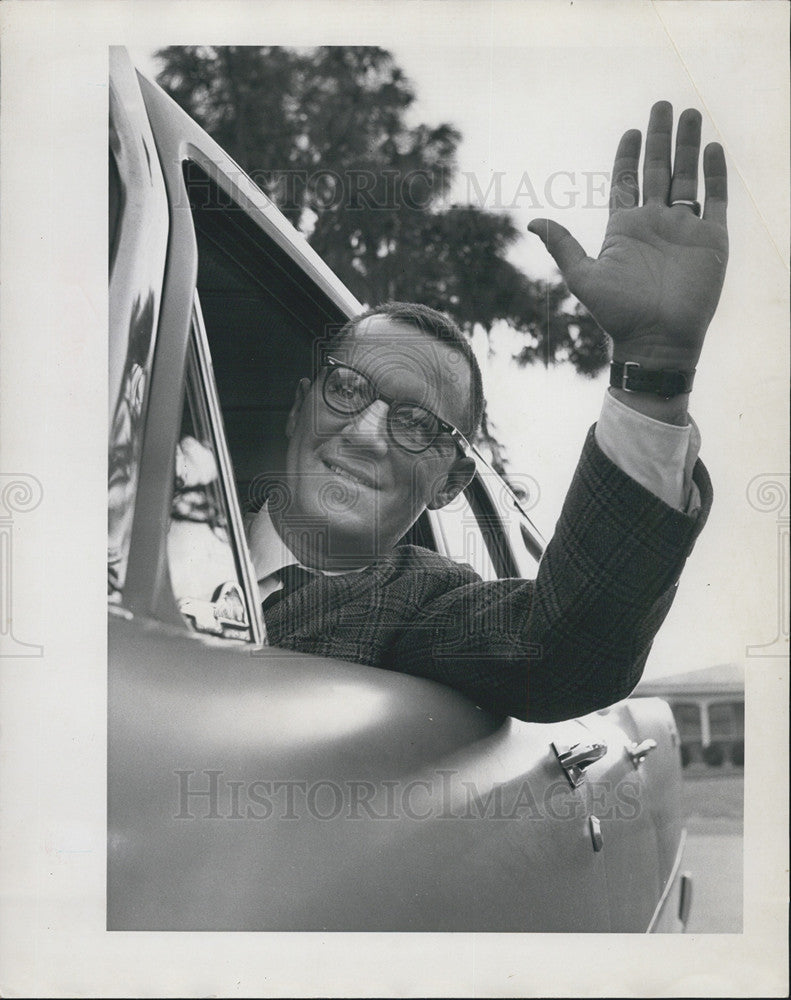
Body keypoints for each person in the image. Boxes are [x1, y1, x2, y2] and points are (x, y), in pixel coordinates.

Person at [245, 102, 728, 723]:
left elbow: (564, 650)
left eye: (417, 425)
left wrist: (653, 366)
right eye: (346, 389)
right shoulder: (132, 517)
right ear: (298, 407)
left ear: (451, 482)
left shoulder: (418, 606)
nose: (365, 434)